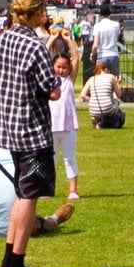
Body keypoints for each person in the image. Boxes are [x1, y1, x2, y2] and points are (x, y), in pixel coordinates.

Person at [0, 0, 62, 267]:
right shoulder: (34, 46)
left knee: (21, 192)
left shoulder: (5, 38)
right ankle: (17, 262)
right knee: (29, 196)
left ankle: (8, 261)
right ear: (35, 13)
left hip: (8, 127)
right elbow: (52, 89)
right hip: (32, 129)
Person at [48, 55, 82, 201]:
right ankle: (48, 189)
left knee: (70, 158)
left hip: (68, 127)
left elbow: (75, 58)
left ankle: (73, 189)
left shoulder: (69, 80)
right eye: (58, 67)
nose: (61, 70)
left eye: (64, 68)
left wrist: (67, 39)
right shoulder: (49, 80)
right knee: (50, 160)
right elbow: (45, 53)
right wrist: (52, 38)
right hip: (51, 127)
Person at [81, 63, 125, 130]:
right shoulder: (111, 77)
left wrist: (92, 100)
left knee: (99, 109)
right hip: (107, 107)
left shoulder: (91, 79)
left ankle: (96, 122)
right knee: (116, 101)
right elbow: (119, 95)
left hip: (93, 109)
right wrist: (118, 83)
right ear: (105, 69)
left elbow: (82, 95)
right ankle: (108, 123)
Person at [91, 9, 123, 76]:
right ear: (109, 14)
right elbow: (116, 39)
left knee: (100, 79)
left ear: (100, 15)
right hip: (114, 54)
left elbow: (95, 45)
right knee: (116, 79)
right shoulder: (116, 24)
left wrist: (92, 54)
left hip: (102, 55)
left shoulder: (97, 26)